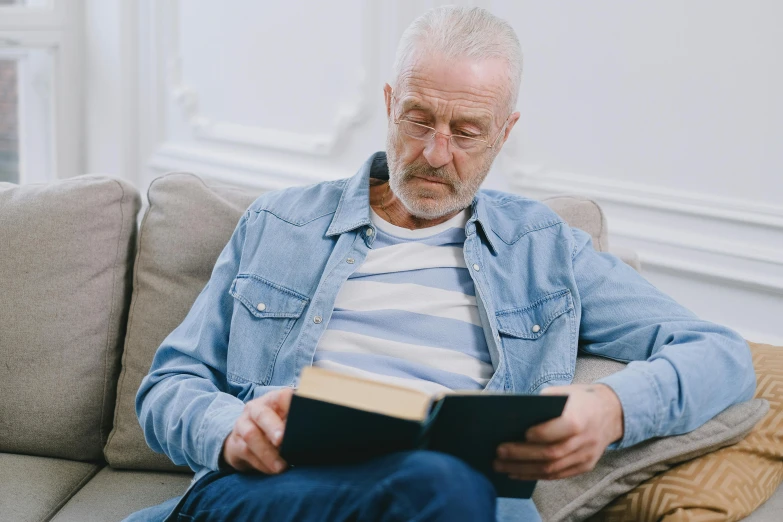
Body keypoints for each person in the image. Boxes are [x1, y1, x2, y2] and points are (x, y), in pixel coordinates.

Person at [126, 6, 755, 522]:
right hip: (271, 492)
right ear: (389, 103)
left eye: (468, 130)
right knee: (440, 487)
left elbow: (720, 354)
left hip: (456, 498)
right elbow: (167, 388)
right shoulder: (279, 224)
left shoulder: (544, 248)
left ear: (506, 132)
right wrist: (231, 427)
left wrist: (612, 409)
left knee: (443, 486)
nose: (435, 152)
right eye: (419, 118)